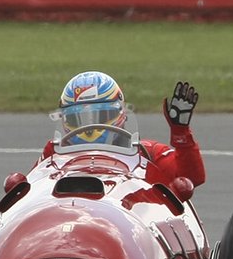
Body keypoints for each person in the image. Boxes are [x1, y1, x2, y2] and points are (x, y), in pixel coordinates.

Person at [42, 72, 205, 189]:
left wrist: (181, 132)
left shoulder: (147, 152)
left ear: (121, 113)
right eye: (78, 119)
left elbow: (191, 178)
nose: (90, 129)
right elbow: (35, 192)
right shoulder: (54, 153)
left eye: (101, 116)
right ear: (64, 119)